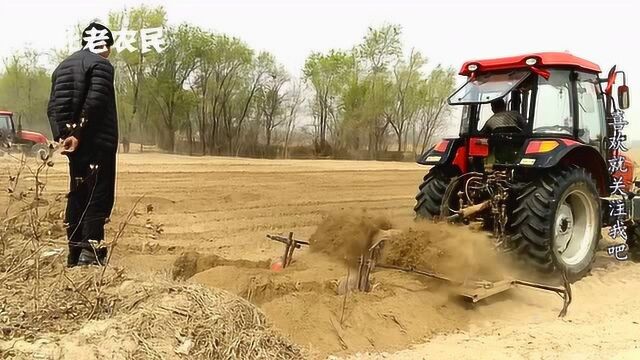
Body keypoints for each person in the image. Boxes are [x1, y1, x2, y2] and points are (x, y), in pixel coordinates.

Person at [47, 22, 118, 267]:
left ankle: (74, 253)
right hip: (97, 142)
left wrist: (62, 137)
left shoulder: (62, 66)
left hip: (73, 146)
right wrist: (79, 133)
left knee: (77, 194)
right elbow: (96, 101)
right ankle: (91, 253)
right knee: (98, 194)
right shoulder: (101, 65)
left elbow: (53, 107)